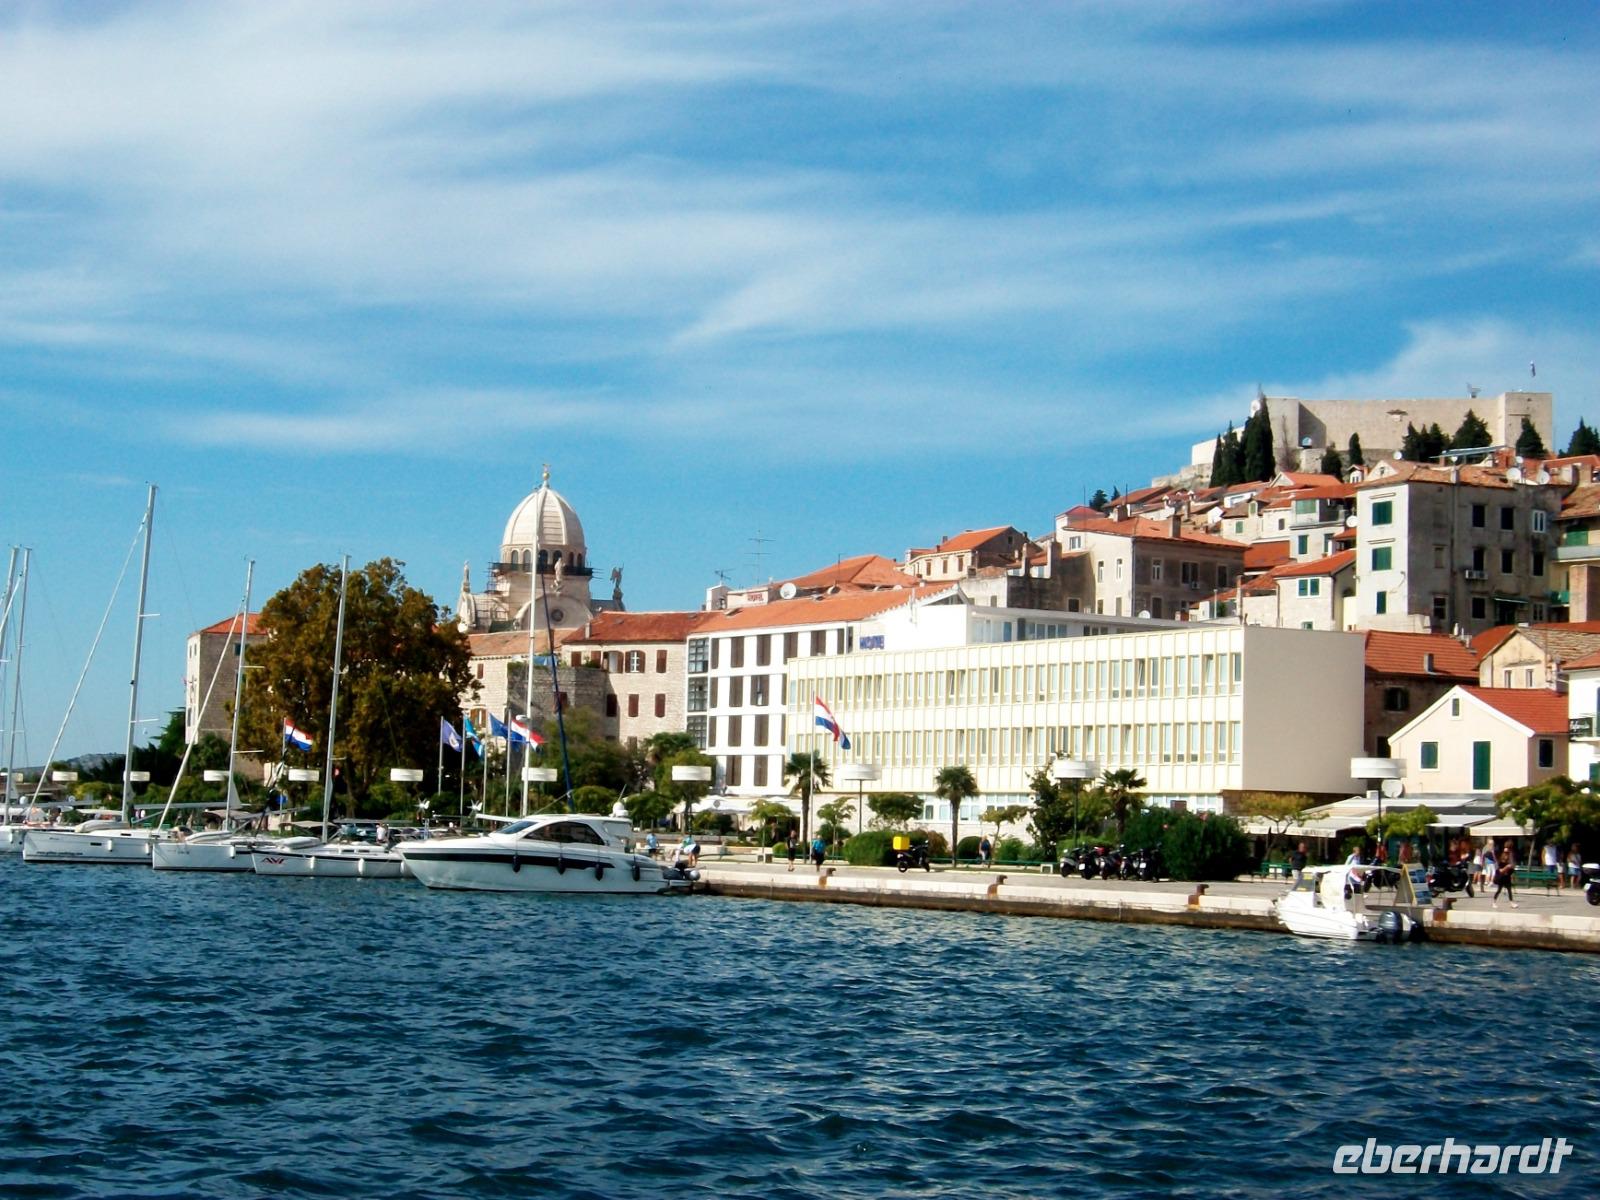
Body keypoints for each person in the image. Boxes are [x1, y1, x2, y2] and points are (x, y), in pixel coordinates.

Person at [1493, 841, 1517, 909]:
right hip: (1502, 876)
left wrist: (1511, 867)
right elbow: (1500, 869)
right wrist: (1507, 867)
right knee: (1499, 890)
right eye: (1507, 848)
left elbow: (1512, 865)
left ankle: (1511, 903)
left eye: (1509, 849)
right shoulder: (1503, 857)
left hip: (1507, 876)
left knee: (1509, 890)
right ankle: (1494, 902)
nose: (1507, 850)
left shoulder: (1510, 855)